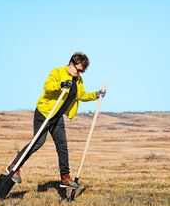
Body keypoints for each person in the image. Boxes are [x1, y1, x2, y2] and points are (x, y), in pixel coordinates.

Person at [6, 51, 106, 189]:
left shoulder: (78, 80)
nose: (79, 73)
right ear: (71, 64)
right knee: (37, 142)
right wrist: (61, 84)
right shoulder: (57, 72)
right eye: (78, 70)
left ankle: (65, 177)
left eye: (82, 72)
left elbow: (81, 95)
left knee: (62, 146)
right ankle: (14, 166)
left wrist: (96, 94)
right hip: (45, 113)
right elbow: (47, 86)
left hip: (57, 117)